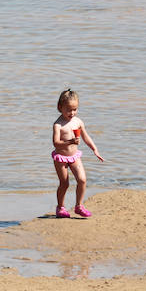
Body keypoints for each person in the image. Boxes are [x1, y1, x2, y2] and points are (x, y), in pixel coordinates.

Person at [51, 89, 103, 218]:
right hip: (61, 157)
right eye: (68, 109)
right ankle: (60, 207)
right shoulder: (58, 125)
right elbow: (56, 143)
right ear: (60, 107)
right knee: (64, 183)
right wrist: (70, 142)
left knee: (82, 180)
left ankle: (79, 206)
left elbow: (86, 137)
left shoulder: (78, 122)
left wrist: (94, 149)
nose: (72, 113)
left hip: (74, 156)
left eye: (75, 109)